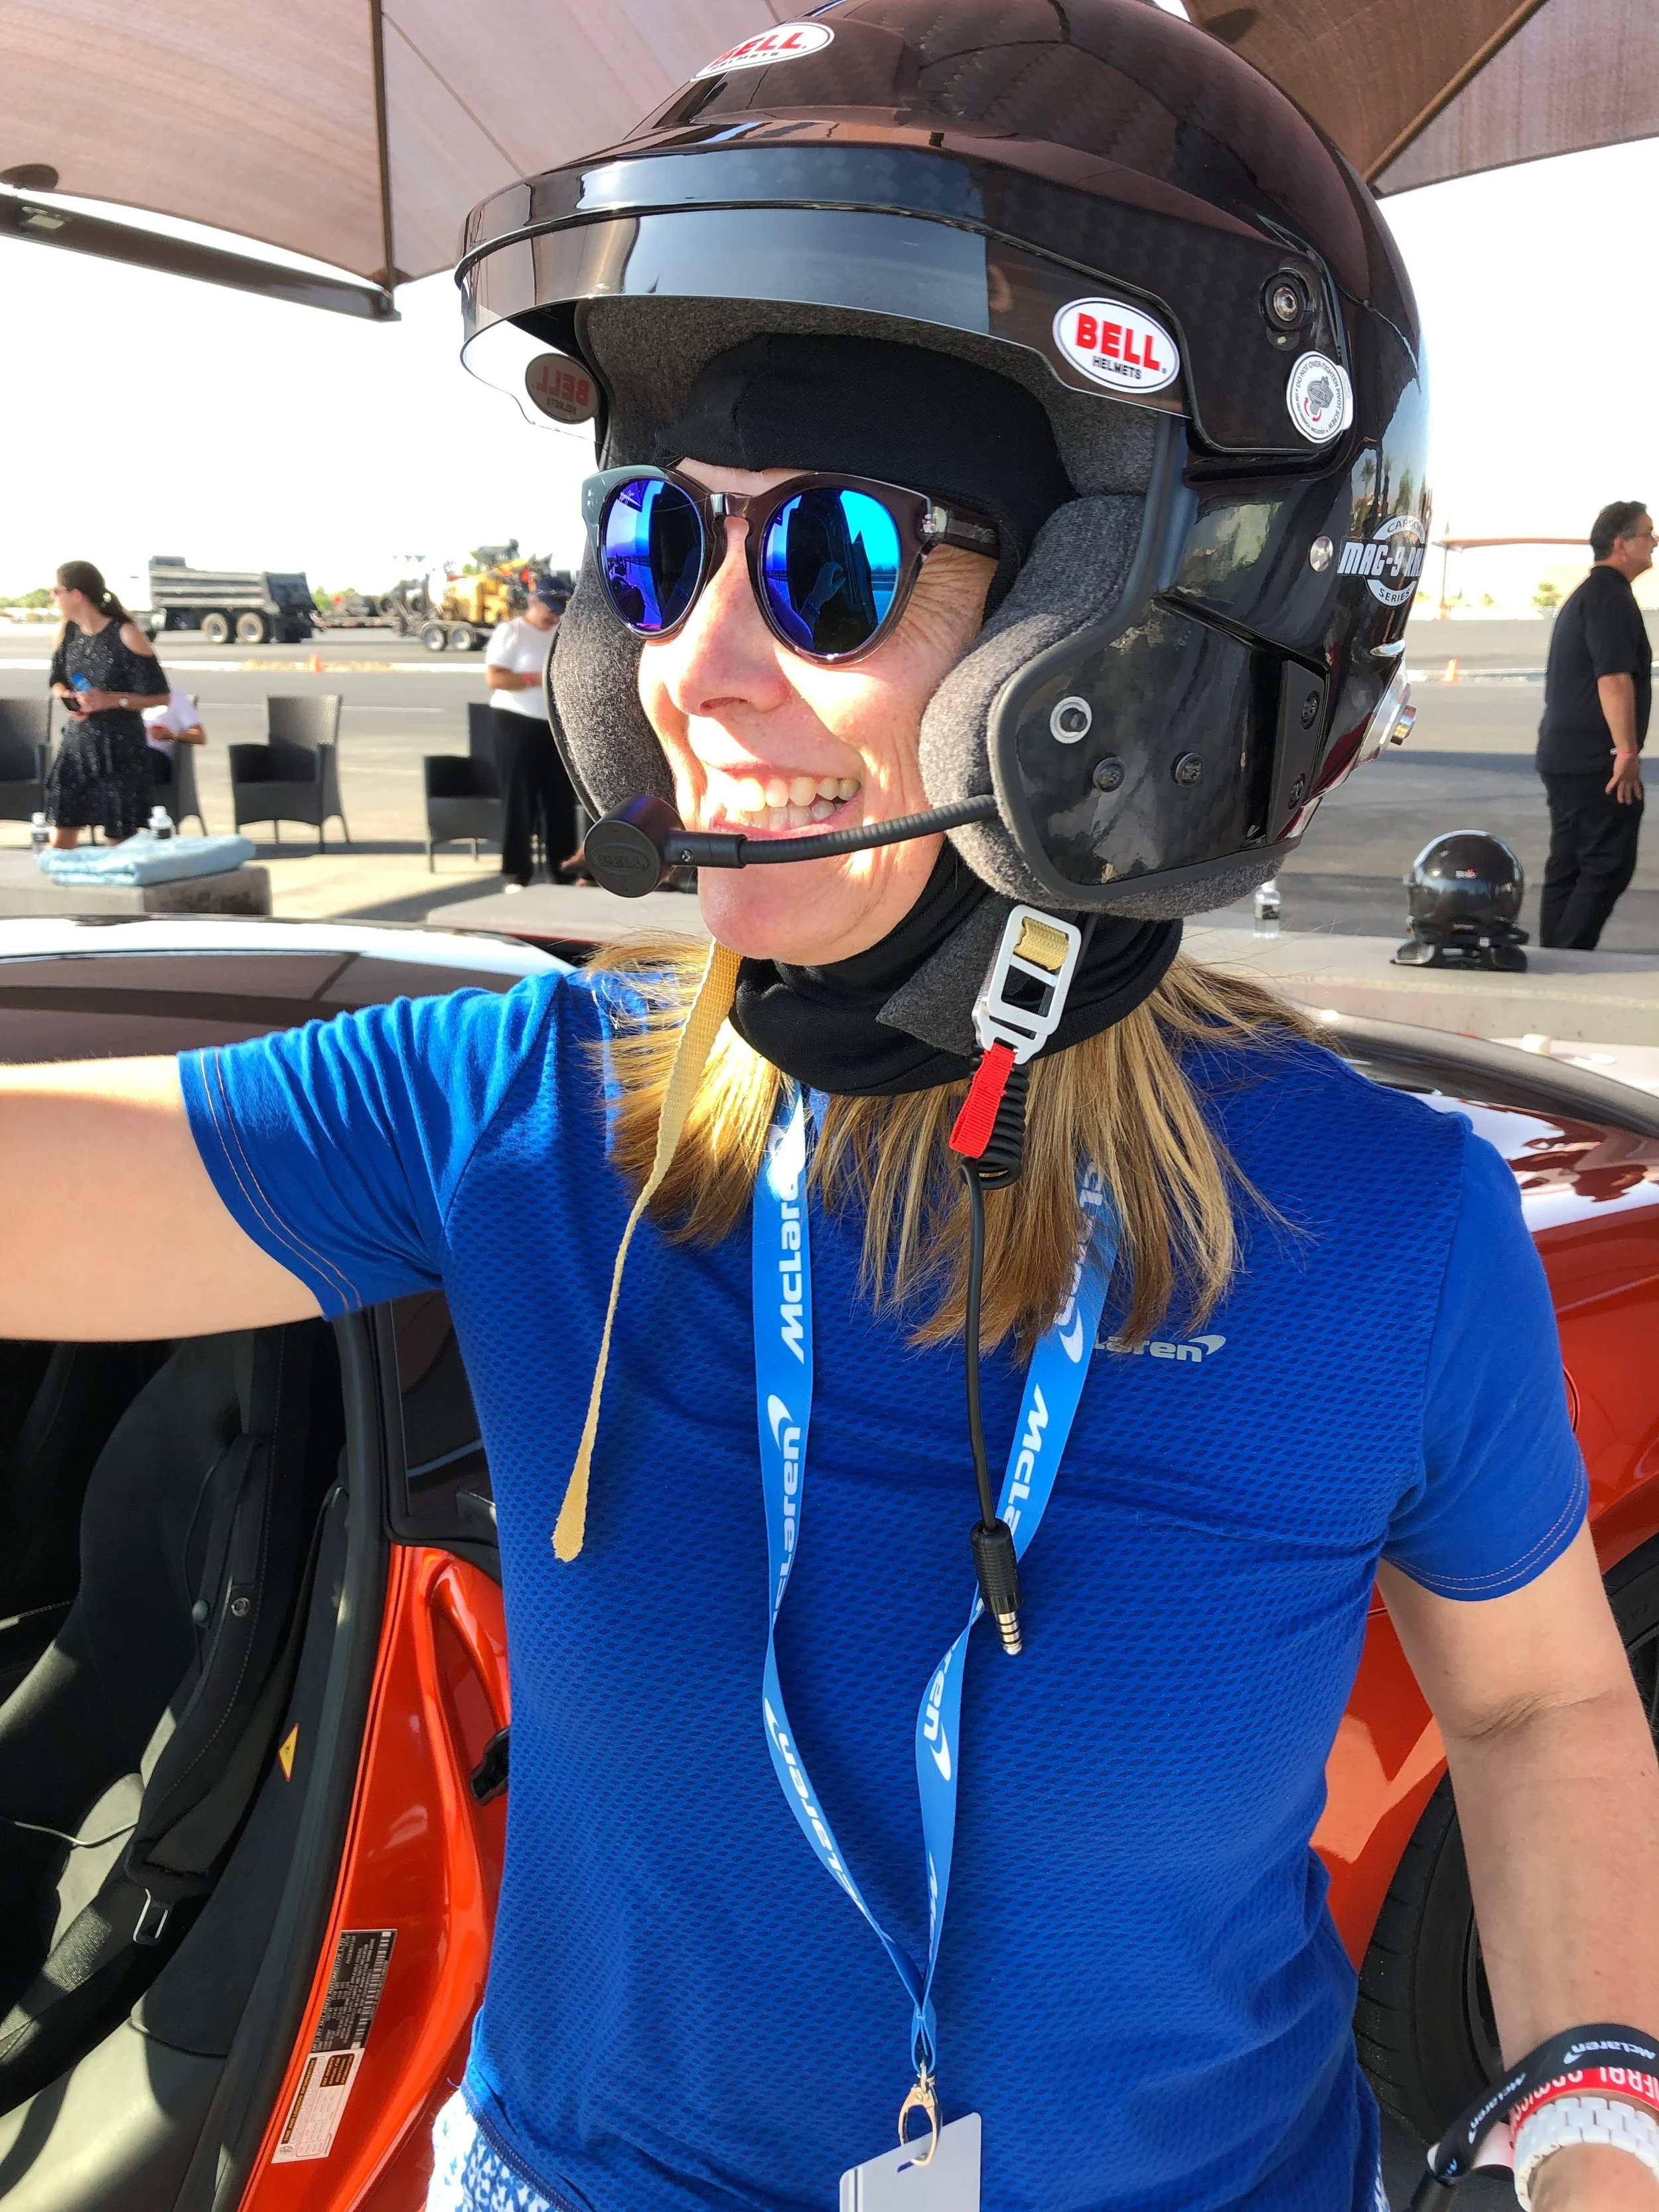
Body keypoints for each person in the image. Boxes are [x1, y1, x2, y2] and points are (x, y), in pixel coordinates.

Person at [6, 10, 1659, 2211]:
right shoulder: (519, 1121)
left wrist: (1599, 2135)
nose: (687, 667)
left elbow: (1542, 1712)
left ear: (1135, 641)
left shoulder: (1386, 1222)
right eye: (658, 544)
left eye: (836, 562)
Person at [1536, 500, 1656, 948]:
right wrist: (1626, 752)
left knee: (1568, 865)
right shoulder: (1611, 598)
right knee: (1608, 863)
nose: (1654, 542)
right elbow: (1614, 680)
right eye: (1648, 534)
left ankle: (1552, 960)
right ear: (1621, 544)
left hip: (1563, 756)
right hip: (1596, 761)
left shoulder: (1586, 595)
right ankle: (1567, 960)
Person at [46, 560, 169, 847]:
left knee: (119, 842)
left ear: (76, 595)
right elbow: (56, 681)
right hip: (78, 747)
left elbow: (161, 695)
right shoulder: (68, 632)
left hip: (120, 751)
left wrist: (114, 699)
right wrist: (66, 697)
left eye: (57, 591)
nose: (53, 598)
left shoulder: (126, 634)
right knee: (61, 833)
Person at [484, 569, 579, 887]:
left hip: (554, 726)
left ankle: (563, 870)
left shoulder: (562, 634)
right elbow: (496, 678)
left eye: (559, 612)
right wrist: (536, 679)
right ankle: (516, 872)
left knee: (560, 801)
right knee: (519, 800)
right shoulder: (512, 632)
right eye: (550, 610)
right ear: (533, 602)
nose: (554, 617)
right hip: (516, 723)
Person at [140, 685, 207, 817]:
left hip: (155, 757)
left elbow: (199, 736)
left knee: (129, 763)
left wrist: (171, 735)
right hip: (123, 753)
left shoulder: (173, 696)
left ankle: (124, 826)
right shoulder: (115, 697)